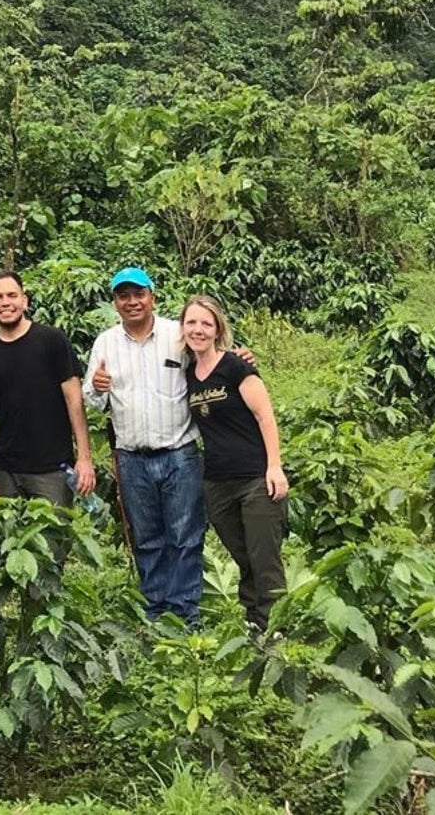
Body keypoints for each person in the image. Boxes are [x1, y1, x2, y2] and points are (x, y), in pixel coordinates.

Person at [83, 266, 205, 624]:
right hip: (132, 458)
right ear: (115, 302)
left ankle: (184, 613)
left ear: (152, 296)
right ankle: (155, 610)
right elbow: (91, 399)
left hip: (179, 452)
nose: (132, 302)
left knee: (184, 536)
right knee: (147, 537)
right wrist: (98, 387)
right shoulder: (105, 342)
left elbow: (211, 364)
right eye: (124, 296)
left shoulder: (176, 335)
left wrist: (240, 359)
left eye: (139, 294)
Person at [182, 293, 289, 632]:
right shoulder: (187, 375)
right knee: (242, 554)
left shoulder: (236, 366)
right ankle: (254, 621)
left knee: (264, 557)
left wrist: (274, 467)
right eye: (191, 322)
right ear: (183, 328)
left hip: (254, 478)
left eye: (206, 323)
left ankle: (277, 628)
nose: (198, 329)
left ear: (217, 329)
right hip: (217, 482)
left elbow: (265, 416)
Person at [0, 271, 95, 507]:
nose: (5, 303)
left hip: (52, 469)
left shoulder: (53, 341)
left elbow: (74, 400)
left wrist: (84, 458)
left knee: (54, 541)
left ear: (24, 300)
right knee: (9, 541)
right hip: (5, 470)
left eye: (12, 295)